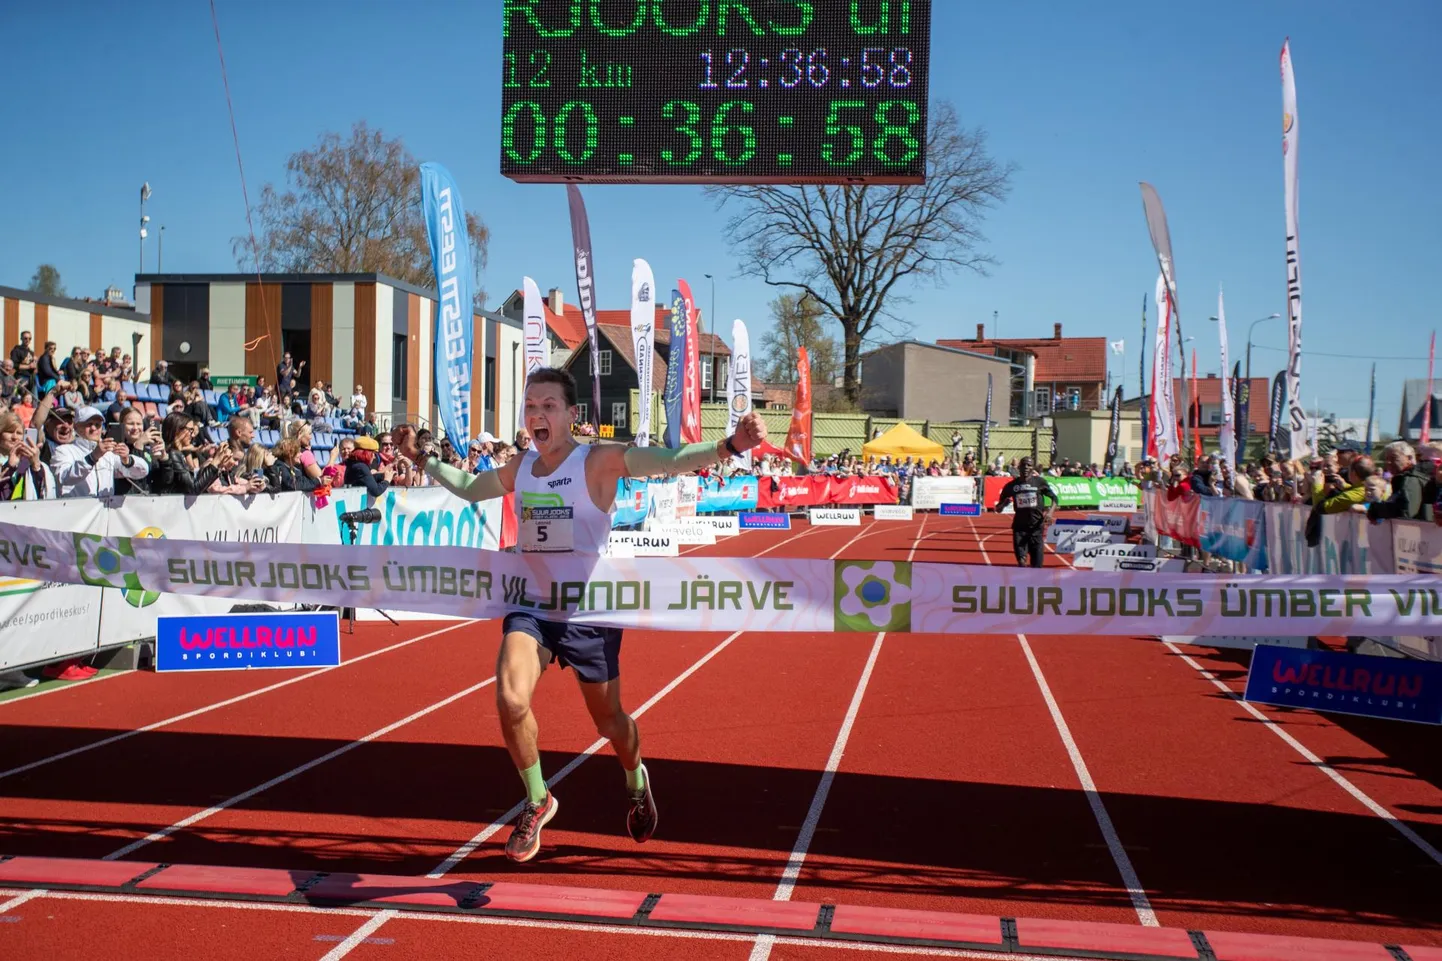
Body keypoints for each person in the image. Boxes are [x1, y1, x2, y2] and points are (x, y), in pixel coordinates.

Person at [395, 367, 766, 863]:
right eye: (530, 406)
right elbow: (467, 486)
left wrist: (730, 446)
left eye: (548, 406)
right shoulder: (521, 467)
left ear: (572, 415)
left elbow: (667, 462)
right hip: (531, 606)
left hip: (589, 611)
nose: (537, 415)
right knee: (509, 696)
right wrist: (424, 458)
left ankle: (635, 777)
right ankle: (537, 798)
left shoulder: (599, 461)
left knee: (609, 723)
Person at [991, 456, 1058, 568]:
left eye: (1029, 465)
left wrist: (1050, 513)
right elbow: (997, 509)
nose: (1026, 467)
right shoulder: (1011, 486)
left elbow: (1055, 499)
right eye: (1024, 465)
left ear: (1032, 468)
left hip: (1036, 527)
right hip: (1020, 528)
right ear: (1019, 467)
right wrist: (1003, 504)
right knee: (1022, 562)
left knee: (1037, 565)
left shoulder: (1039, 482)